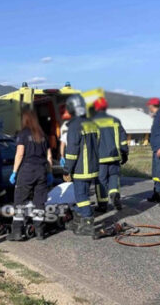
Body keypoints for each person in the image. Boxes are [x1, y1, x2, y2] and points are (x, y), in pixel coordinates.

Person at [7, 109, 53, 241]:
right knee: (39, 201)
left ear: (25, 119)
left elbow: (20, 154)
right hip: (41, 171)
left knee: (20, 201)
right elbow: (49, 156)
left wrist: (14, 172)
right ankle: (39, 231)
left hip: (27, 171)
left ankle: (17, 231)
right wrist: (49, 173)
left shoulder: (23, 134)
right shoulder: (42, 135)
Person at [63, 95, 100, 236]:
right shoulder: (91, 123)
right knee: (83, 194)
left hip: (81, 168)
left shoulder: (74, 126)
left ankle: (88, 222)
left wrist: (67, 169)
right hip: (92, 167)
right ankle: (79, 220)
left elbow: (72, 151)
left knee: (81, 196)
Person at [93, 97, 129, 212]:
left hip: (100, 158)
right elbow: (123, 139)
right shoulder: (115, 120)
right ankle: (114, 194)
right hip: (114, 156)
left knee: (101, 181)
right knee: (114, 176)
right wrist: (124, 152)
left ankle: (103, 205)